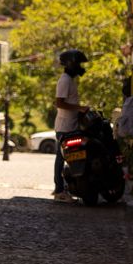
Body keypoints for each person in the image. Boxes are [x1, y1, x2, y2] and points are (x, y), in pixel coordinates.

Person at [53, 48, 89, 202]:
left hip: (70, 125)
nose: (81, 67)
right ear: (71, 64)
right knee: (62, 159)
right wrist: (79, 108)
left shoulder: (70, 80)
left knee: (66, 159)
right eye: (79, 63)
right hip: (65, 127)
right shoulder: (65, 80)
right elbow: (59, 103)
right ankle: (60, 190)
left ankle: (63, 188)